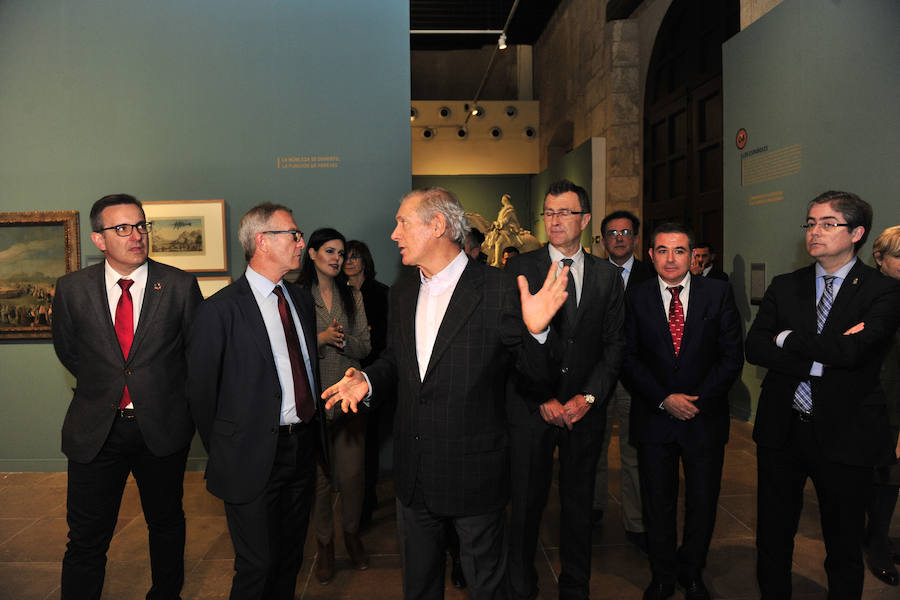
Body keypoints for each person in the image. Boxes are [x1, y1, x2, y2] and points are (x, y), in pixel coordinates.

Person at [322, 186, 570, 599]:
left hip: (475, 474)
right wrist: (367, 380)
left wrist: (538, 332)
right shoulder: (403, 291)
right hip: (414, 474)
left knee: (487, 585)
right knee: (418, 586)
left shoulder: (496, 289)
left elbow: (539, 377)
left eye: (403, 222)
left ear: (437, 225)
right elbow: (395, 361)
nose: (394, 234)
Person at [746, 191, 900, 599]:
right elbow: (756, 347)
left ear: (857, 233)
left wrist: (788, 338)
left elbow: (856, 352)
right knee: (773, 537)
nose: (815, 231)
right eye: (811, 222)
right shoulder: (785, 286)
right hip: (782, 429)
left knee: (843, 542)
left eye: (828, 223)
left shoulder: (881, 291)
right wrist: (818, 357)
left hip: (846, 433)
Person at [51, 193, 202, 600]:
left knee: (166, 523)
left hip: (162, 430)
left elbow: (194, 356)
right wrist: (112, 386)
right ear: (99, 240)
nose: (136, 236)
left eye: (140, 225)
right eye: (122, 228)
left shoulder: (178, 285)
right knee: (86, 538)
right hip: (96, 431)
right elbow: (69, 350)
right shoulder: (71, 289)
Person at [187, 203, 328, 600]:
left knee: (289, 559)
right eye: (294, 235)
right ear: (262, 241)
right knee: (256, 565)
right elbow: (201, 393)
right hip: (250, 454)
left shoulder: (299, 300)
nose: (302, 243)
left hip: (301, 448)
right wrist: (228, 449)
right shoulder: (220, 309)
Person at [505, 180, 625, 600]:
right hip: (531, 409)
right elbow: (510, 344)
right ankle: (521, 584)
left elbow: (614, 346)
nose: (554, 220)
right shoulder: (520, 269)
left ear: (585, 219)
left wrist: (587, 398)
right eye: (549, 212)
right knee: (526, 505)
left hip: (583, 413)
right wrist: (543, 398)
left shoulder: (608, 277)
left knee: (579, 507)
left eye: (565, 212)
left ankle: (576, 585)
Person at [623, 222, 743, 600]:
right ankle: (662, 575)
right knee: (657, 502)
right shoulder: (635, 296)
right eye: (662, 250)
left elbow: (730, 357)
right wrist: (664, 399)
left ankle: (692, 572)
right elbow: (626, 358)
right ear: (651, 255)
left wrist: (696, 401)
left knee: (702, 501)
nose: (670, 258)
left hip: (703, 418)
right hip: (654, 418)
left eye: (678, 251)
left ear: (693, 256)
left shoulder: (718, 292)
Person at [297, 228, 371, 583]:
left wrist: (341, 342)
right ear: (311, 254)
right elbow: (290, 350)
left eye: (341, 253)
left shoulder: (352, 295)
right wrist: (321, 339)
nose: (337, 259)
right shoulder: (296, 296)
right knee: (320, 482)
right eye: (329, 251)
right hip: (311, 405)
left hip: (349, 402)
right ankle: (324, 545)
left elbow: (365, 346)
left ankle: (352, 535)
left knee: (354, 476)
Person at [592, 210, 655, 553]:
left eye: (625, 232)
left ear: (635, 238)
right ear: (602, 239)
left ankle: (636, 522)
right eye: (612, 232)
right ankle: (593, 508)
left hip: (635, 377)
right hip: (598, 374)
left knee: (634, 451)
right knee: (594, 447)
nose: (618, 238)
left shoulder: (651, 275)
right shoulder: (591, 272)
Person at [344, 240, 391, 530]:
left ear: (365, 260)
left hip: (375, 378)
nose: (349, 262)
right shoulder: (336, 294)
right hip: (345, 377)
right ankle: (356, 508)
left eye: (354, 257)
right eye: (345, 257)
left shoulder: (383, 293)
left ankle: (368, 500)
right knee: (353, 450)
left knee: (370, 445)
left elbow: (388, 340)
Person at [866, 225, 900, 586]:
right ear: (880, 258)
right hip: (877, 396)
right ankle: (875, 545)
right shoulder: (871, 293)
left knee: (891, 474)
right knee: (881, 472)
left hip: (897, 395)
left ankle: (878, 537)